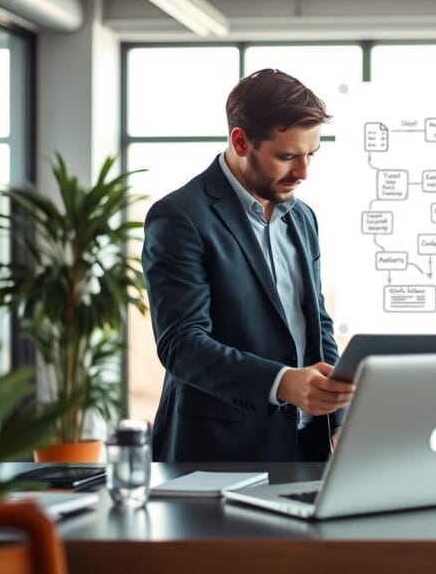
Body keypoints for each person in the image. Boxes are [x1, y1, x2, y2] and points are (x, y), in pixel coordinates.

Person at [142, 69, 354, 462]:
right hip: (217, 451)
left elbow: (315, 324)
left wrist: (340, 414)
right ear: (241, 141)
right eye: (287, 156)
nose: (303, 172)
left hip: (307, 448)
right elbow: (182, 344)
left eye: (311, 155)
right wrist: (282, 383)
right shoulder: (179, 216)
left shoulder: (302, 217)